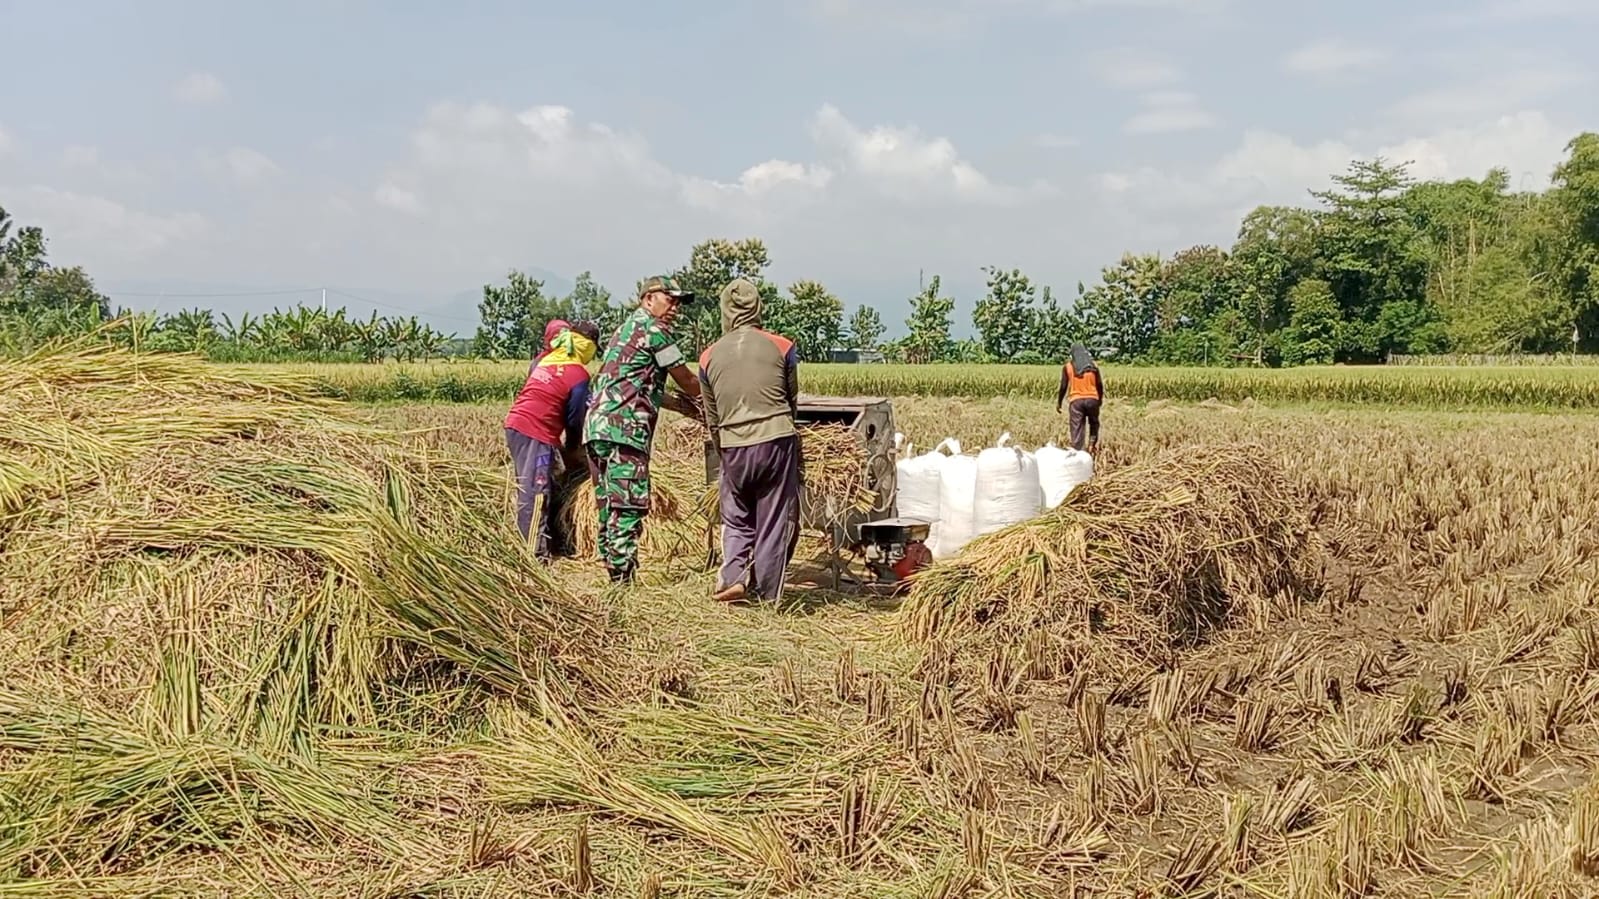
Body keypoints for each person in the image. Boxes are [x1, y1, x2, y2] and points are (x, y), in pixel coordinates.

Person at [582, 276, 702, 584]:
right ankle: (622, 579)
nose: (675, 307)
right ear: (648, 299)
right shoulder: (655, 331)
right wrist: (716, 400)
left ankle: (612, 570)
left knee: (608, 504)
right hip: (624, 430)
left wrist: (686, 408)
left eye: (678, 303)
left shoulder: (625, 331)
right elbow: (687, 381)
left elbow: (643, 386)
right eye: (670, 300)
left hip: (598, 428)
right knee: (628, 504)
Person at [698, 278, 801, 604]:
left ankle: (733, 578)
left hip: (733, 444)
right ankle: (766, 595)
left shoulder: (708, 357)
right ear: (758, 307)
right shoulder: (782, 346)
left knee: (736, 514)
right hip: (775, 440)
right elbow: (791, 398)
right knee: (772, 518)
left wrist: (724, 452)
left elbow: (712, 417)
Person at [504, 322, 599, 560]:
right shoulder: (578, 374)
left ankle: (548, 541)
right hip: (535, 433)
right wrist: (574, 449)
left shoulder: (547, 360)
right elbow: (575, 420)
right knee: (536, 492)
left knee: (541, 483)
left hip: (518, 426)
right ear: (588, 347)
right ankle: (534, 555)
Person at [1056, 342, 1103, 453]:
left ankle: (1078, 450)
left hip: (1076, 401)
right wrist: (1099, 400)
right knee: (1094, 423)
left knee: (1077, 427)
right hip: (1092, 399)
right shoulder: (1093, 366)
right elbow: (1099, 385)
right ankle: (1092, 445)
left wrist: (1059, 402)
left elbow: (1063, 386)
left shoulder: (1068, 367)